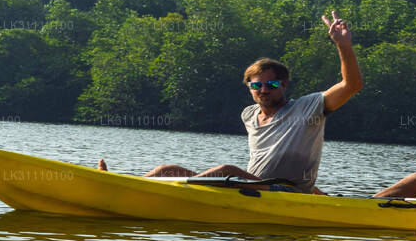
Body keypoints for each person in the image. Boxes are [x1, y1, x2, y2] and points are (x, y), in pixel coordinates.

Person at [98, 11, 362, 194]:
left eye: (270, 85)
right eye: (256, 85)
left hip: (286, 192)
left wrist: (343, 46)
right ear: (249, 87)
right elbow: (273, 160)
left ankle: (148, 193)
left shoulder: (308, 108)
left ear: (283, 85)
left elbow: (352, 86)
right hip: (255, 186)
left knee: (225, 169)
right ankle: (117, 186)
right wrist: (319, 192)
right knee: (167, 169)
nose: (263, 90)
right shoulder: (249, 114)